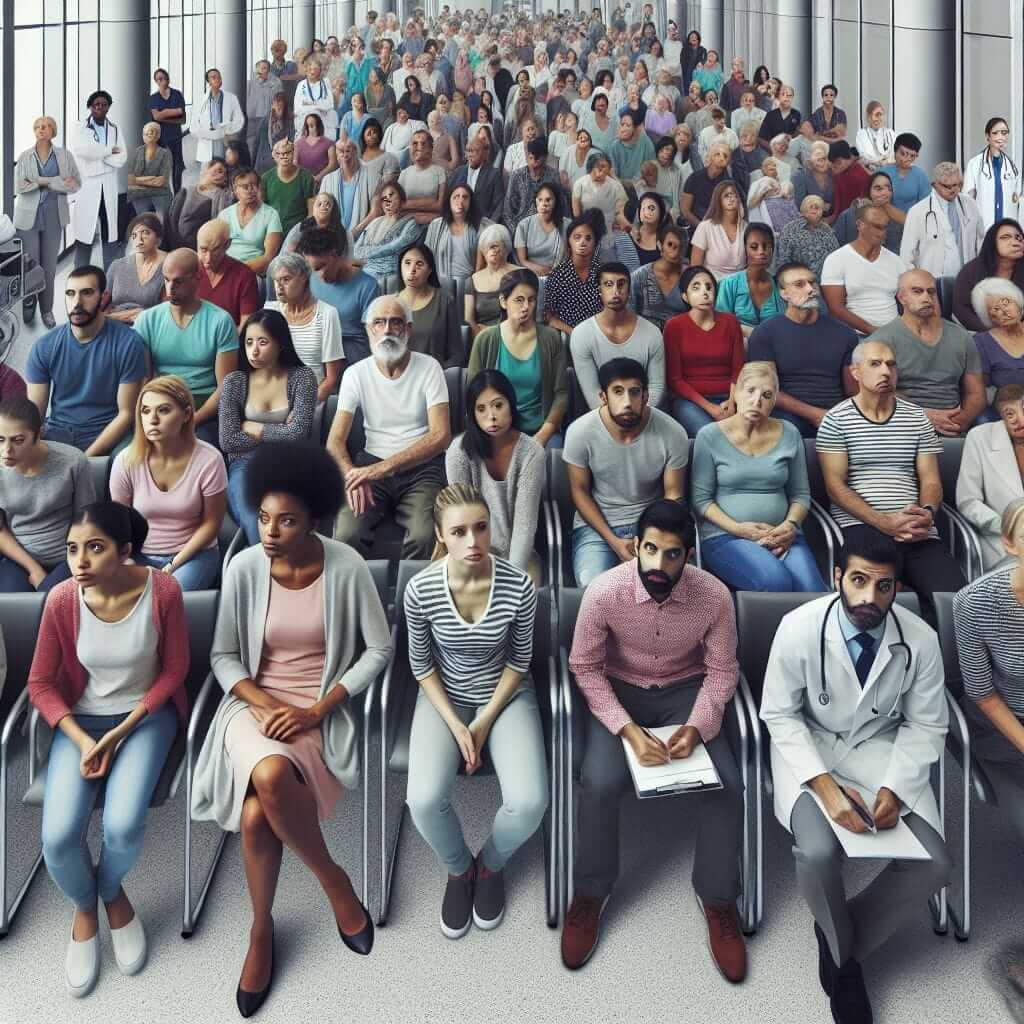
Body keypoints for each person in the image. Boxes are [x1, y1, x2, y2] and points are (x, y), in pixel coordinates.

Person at [190, 441, 385, 1016]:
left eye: (287, 521)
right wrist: (260, 700)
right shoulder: (246, 565)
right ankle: (332, 882)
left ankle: (260, 931)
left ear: (316, 519)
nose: (270, 531)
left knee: (257, 815)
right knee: (271, 775)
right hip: (252, 707)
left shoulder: (345, 566)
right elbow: (224, 657)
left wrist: (318, 709)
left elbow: (379, 649)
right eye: (265, 518)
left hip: (317, 710)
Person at [759, 526, 952, 1024]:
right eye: (859, 581)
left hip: (880, 751)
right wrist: (824, 788)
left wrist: (895, 788)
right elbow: (779, 714)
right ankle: (846, 973)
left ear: (897, 588)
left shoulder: (920, 639)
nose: (870, 597)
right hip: (810, 747)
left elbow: (927, 722)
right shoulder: (799, 627)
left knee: (933, 862)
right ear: (837, 576)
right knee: (819, 850)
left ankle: (837, 939)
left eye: (884, 586)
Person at [561, 498, 747, 980]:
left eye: (672, 555)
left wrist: (698, 725)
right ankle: (590, 893)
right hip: (619, 690)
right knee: (599, 781)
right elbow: (584, 667)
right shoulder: (604, 592)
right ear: (636, 546)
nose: (658, 565)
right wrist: (626, 730)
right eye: (650, 550)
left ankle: (718, 898)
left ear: (689, 555)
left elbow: (723, 671)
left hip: (685, 693)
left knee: (728, 783)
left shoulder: (715, 596)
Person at [28, 501, 189, 997]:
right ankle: (85, 906)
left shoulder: (163, 589)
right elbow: (41, 685)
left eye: (94, 549)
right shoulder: (61, 599)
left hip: (146, 716)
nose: (80, 562)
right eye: (73, 549)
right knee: (57, 839)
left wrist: (123, 731)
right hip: (82, 721)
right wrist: (80, 737)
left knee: (122, 825)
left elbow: (174, 671)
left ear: (125, 551)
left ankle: (112, 893)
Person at [404, 483, 545, 938]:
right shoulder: (420, 589)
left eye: (481, 528)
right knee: (422, 800)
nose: (473, 542)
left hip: (505, 695)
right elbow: (422, 666)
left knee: (529, 803)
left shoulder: (519, 584)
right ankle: (459, 867)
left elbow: (519, 661)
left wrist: (482, 723)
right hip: (444, 695)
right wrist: (456, 725)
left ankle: (491, 864)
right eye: (460, 532)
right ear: (441, 536)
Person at [817, 339, 966, 616]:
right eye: (875, 364)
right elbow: (835, 488)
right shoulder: (836, 420)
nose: (885, 371)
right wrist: (884, 522)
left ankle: (935, 657)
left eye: (891, 364)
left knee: (955, 603)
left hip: (916, 528)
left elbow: (931, 480)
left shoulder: (917, 418)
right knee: (867, 605)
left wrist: (927, 512)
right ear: (856, 372)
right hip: (863, 527)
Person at [327, 294, 450, 559]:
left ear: (408, 329)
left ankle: (413, 599)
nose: (386, 330)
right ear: (368, 329)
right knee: (347, 534)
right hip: (370, 466)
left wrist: (381, 469)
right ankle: (362, 598)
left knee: (424, 535)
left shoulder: (430, 368)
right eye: (379, 323)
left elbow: (441, 436)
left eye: (395, 323)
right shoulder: (355, 374)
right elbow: (335, 441)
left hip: (422, 469)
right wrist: (353, 476)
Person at [691, 361, 827, 591]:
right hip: (726, 536)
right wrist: (739, 529)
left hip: (783, 534)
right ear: (736, 393)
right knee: (775, 582)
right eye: (750, 391)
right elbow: (701, 501)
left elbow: (801, 495)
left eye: (766, 394)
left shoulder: (790, 433)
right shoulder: (709, 436)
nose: (757, 401)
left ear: (774, 401)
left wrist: (790, 525)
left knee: (813, 592)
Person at [564, 358, 688, 586]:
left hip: (652, 523)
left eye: (634, 392)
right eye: (618, 392)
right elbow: (579, 492)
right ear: (603, 397)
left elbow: (673, 495)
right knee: (593, 589)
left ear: (646, 396)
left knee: (658, 587)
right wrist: (613, 541)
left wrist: (650, 538)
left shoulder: (673, 433)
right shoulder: (580, 432)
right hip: (597, 527)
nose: (627, 402)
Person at [109, 376, 226, 590]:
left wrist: (173, 565)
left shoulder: (210, 459)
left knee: (167, 598)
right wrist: (129, 563)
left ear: (186, 414)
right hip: (140, 556)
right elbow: (119, 524)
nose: (152, 419)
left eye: (163, 410)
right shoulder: (125, 460)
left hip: (193, 556)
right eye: (145, 411)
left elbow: (211, 525)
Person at [219, 310, 318, 545]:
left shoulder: (303, 378)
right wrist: (281, 430)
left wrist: (255, 428)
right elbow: (227, 440)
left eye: (263, 342)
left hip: (290, 462)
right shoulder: (235, 381)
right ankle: (266, 568)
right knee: (255, 517)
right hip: (244, 463)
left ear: (280, 344)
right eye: (249, 342)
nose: (254, 350)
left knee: (287, 515)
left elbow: (298, 435)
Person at [26, 265, 146, 454]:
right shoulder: (44, 346)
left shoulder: (129, 343)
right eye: (70, 293)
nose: (77, 302)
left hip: (107, 433)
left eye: (87, 293)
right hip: (58, 432)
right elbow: (34, 414)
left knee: (125, 460)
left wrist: (83, 460)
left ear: (103, 297)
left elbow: (126, 414)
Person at [445, 370, 546, 581]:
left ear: (512, 405)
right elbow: (460, 517)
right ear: (472, 414)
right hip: (469, 551)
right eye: (481, 409)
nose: (491, 416)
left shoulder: (532, 452)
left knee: (521, 599)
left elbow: (525, 525)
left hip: (520, 555)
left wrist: (511, 577)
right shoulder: (459, 451)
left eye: (498, 405)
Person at [134, 249, 240, 448]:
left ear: (197, 277)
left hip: (202, 405)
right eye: (166, 280)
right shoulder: (147, 320)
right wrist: (150, 414)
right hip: (160, 401)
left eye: (178, 281)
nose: (170, 288)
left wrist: (194, 419)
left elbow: (225, 386)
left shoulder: (220, 320)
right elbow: (143, 381)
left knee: (200, 449)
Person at [868, 270, 986, 436]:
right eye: (917, 291)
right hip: (901, 427)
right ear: (902, 298)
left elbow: (977, 394)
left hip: (952, 427)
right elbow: (874, 392)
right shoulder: (881, 340)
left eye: (931, 292)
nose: (926, 297)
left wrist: (961, 421)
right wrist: (923, 417)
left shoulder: (961, 336)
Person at [748, 261, 858, 437]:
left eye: (812, 282)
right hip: (787, 416)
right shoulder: (765, 334)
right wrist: (814, 414)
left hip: (835, 414)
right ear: (784, 294)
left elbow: (853, 390)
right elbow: (768, 389)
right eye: (799, 284)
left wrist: (837, 416)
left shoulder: (844, 334)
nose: (810, 289)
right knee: (786, 430)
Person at [0, 396, 97, 593]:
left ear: (39, 434)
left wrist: (74, 559)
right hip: (18, 556)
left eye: (18, 440)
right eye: (0, 440)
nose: (7, 450)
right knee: (11, 606)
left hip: (69, 555)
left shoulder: (72, 461)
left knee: (52, 600)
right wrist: (34, 569)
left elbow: (87, 521)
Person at [467, 269, 567, 449]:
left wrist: (543, 434)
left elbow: (561, 393)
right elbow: (473, 392)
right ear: (503, 302)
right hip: (495, 428)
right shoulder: (486, 339)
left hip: (540, 428)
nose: (526, 307)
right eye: (519, 300)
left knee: (555, 454)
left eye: (531, 299)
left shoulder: (551, 338)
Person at [14, 115, 81, 329]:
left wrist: (38, 181)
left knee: (49, 267)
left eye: (46, 126)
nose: (42, 129)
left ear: (53, 131)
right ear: (34, 131)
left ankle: (47, 310)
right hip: (27, 218)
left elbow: (75, 184)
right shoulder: (24, 157)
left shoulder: (64, 156)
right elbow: (20, 188)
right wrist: (55, 182)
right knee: (29, 266)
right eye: (38, 127)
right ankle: (28, 303)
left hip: (54, 216)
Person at [570, 262, 665, 411]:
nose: (615, 291)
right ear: (599, 290)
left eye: (621, 284)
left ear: (629, 291)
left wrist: (637, 416)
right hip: (602, 417)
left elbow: (656, 387)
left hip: (644, 414)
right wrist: (618, 419)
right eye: (608, 284)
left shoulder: (652, 333)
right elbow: (592, 394)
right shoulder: (581, 334)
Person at [664, 266, 743, 435]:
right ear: (685, 296)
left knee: (743, 431)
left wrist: (732, 401)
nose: (704, 292)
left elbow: (738, 369)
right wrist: (711, 408)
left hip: (729, 397)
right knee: (710, 433)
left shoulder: (730, 322)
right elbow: (675, 380)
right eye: (696, 287)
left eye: (709, 287)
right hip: (691, 401)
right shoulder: (674, 326)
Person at [957, 386, 1024, 570]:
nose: (1019, 420)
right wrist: (1009, 526)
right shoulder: (980, 438)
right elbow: (968, 502)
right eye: (1010, 414)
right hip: (1000, 540)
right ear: (1000, 416)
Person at [266, 251, 344, 401]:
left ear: (304, 278)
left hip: (311, 397)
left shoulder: (327, 314)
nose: (279, 287)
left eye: (286, 279)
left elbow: (331, 381)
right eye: (276, 281)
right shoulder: (270, 311)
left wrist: (302, 409)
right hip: (274, 397)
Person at [295, 226, 379, 366]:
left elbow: (374, 334)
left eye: (321, 267)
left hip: (352, 358)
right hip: (315, 352)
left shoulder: (368, 286)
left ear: (334, 255)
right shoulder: (310, 279)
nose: (319, 275)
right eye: (313, 269)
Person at [820, 204, 908, 336]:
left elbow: (909, 299)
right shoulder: (836, 259)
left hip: (895, 333)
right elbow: (835, 308)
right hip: (856, 335)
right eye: (876, 226)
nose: (882, 233)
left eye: (885, 227)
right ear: (860, 225)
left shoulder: (896, 261)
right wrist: (873, 330)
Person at [71, 91, 127, 269]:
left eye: (104, 104)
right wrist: (109, 150)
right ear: (90, 107)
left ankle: (110, 277)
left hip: (108, 186)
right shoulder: (81, 128)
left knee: (109, 231)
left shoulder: (115, 128)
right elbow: (82, 150)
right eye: (96, 104)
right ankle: (79, 273)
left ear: (108, 107)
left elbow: (121, 158)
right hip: (88, 186)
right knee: (85, 233)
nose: (100, 107)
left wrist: (99, 155)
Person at [900, 162, 986, 278]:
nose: (953, 190)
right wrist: (917, 283)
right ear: (934, 185)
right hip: (932, 280)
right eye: (947, 186)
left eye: (956, 185)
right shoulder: (917, 212)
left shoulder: (970, 204)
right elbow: (906, 255)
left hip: (967, 277)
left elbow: (981, 242)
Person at [396, 243, 463, 369]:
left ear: (430, 270)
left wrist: (436, 373)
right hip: (399, 379)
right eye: (407, 263)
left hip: (434, 378)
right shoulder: (391, 304)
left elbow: (456, 355)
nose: (412, 270)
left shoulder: (445, 301)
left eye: (419, 264)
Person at [953, 218, 1024, 332]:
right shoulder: (971, 270)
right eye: (1006, 237)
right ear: (992, 243)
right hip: (980, 332)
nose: (1014, 242)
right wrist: (990, 331)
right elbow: (961, 309)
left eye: (1018, 237)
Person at [544, 209, 606, 337]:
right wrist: (573, 333)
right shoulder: (557, 275)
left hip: (599, 334)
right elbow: (549, 317)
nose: (582, 242)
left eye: (588, 238)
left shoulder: (603, 273)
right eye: (577, 237)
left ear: (595, 244)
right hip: (567, 335)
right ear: (569, 242)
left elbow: (609, 309)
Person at [714, 224, 785, 335]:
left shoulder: (780, 284)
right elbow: (721, 323)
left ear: (772, 250)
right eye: (754, 247)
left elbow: (784, 325)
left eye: (766, 246)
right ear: (745, 250)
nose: (761, 251)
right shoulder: (729, 283)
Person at [218, 166, 284, 279]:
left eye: (254, 185)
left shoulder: (271, 215)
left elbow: (268, 257)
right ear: (235, 189)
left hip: (253, 273)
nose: (250, 190)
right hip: (224, 272)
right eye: (244, 186)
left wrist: (236, 273)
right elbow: (216, 249)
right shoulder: (225, 215)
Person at [195, 218, 261, 329]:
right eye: (203, 249)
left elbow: (246, 327)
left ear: (227, 245)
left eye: (215, 250)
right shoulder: (188, 271)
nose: (208, 258)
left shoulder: (245, 276)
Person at [103, 214, 166, 325]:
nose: (139, 239)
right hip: (115, 325)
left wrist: (142, 314)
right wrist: (122, 316)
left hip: (150, 326)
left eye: (146, 233)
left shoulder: (168, 266)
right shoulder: (117, 266)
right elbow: (101, 303)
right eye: (134, 235)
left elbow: (168, 310)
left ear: (158, 239)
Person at [963, 116, 1023, 231]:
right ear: (987, 136)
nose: (1001, 137)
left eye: (1004, 133)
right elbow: (967, 202)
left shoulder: (1012, 168)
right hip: (983, 228)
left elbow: (1017, 201)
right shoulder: (975, 164)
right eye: (995, 133)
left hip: (1007, 229)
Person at [971, 278, 1024, 401]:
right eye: (996, 309)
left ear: (1017, 302)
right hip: (1012, 408)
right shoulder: (981, 342)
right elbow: (980, 388)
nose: (1004, 311)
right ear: (989, 317)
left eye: (1006, 303)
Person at [628, 223, 688, 330]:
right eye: (670, 245)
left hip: (682, 338)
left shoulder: (691, 277)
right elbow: (629, 315)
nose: (676, 251)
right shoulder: (639, 276)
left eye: (681, 247)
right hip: (646, 339)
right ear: (660, 245)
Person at [503, 137, 563, 240]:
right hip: (521, 230)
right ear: (527, 157)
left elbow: (561, 207)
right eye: (531, 158)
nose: (534, 167)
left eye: (538, 164)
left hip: (548, 231)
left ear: (545, 158)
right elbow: (508, 212)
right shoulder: (517, 176)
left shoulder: (553, 176)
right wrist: (517, 234)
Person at [165, 158, 231, 251]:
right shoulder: (187, 190)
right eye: (219, 170)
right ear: (207, 168)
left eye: (224, 174)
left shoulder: (221, 196)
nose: (221, 175)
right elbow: (172, 216)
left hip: (197, 244)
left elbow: (218, 222)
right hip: (174, 239)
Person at [832, 172, 906, 254]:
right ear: (869, 192)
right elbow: (836, 247)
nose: (884, 192)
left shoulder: (897, 220)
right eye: (878, 188)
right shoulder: (848, 216)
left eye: (888, 188)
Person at [466, 224, 518, 339]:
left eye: (495, 246)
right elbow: (468, 319)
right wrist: (481, 336)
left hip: (512, 336)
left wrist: (493, 331)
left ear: (506, 247)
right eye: (487, 247)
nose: (491, 251)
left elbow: (521, 314)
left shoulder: (519, 274)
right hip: (481, 338)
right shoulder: (472, 280)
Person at [188, 69, 245, 168]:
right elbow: (193, 126)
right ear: (208, 82)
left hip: (224, 139)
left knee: (225, 170)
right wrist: (205, 133)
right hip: (206, 141)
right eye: (213, 77)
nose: (217, 79)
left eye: (219, 77)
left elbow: (239, 120)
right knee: (207, 172)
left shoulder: (231, 98)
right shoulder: (200, 100)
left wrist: (227, 128)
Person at [261, 140, 316, 241]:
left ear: (294, 153)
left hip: (297, 233)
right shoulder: (266, 178)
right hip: (272, 233)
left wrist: (302, 233)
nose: (284, 156)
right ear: (274, 156)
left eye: (288, 153)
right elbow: (261, 210)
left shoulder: (306, 177)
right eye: (280, 154)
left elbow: (311, 212)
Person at [775, 195, 840, 278]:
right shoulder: (790, 229)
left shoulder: (827, 230)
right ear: (803, 210)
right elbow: (783, 259)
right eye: (810, 207)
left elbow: (836, 255)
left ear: (822, 211)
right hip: (797, 279)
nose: (814, 210)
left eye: (817, 207)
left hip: (825, 279)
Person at [515, 182, 567, 278]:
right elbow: (522, 260)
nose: (544, 204)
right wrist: (541, 270)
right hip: (532, 276)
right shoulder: (523, 225)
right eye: (540, 200)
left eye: (548, 200)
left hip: (560, 277)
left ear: (556, 201)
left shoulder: (567, 225)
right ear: (535, 201)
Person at [448, 135, 504, 224]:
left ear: (484, 154)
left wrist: (491, 225)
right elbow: (448, 198)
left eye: (475, 151)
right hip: (458, 221)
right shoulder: (458, 172)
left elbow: (499, 204)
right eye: (468, 151)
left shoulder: (493, 174)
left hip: (483, 223)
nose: (470, 154)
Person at [681, 142, 736, 230]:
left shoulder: (729, 185)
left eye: (725, 156)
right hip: (696, 226)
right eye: (717, 154)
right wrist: (702, 227)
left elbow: (729, 213)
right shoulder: (694, 178)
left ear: (728, 161)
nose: (721, 158)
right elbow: (685, 210)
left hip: (719, 228)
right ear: (710, 156)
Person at [149, 69, 188, 193]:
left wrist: (164, 114)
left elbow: (183, 119)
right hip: (161, 138)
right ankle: (165, 196)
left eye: (164, 77)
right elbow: (156, 117)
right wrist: (174, 111)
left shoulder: (177, 94)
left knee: (178, 167)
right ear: (156, 82)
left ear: (168, 78)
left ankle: (177, 194)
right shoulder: (154, 98)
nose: (162, 80)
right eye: (159, 79)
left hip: (176, 136)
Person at [397, 130, 447, 225]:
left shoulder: (440, 172)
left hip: (432, 224)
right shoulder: (404, 174)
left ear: (431, 149)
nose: (418, 147)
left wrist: (408, 205)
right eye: (414, 143)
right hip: (405, 224)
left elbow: (440, 206)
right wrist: (430, 202)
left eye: (423, 144)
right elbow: (398, 205)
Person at [127, 122, 173, 220]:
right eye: (147, 133)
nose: (150, 134)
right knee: (143, 221)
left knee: (163, 221)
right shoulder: (138, 151)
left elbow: (161, 181)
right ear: (143, 136)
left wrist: (139, 180)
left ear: (158, 135)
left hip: (160, 193)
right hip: (139, 193)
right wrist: (151, 179)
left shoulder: (165, 153)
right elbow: (131, 179)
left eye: (153, 132)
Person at [881, 133, 931, 213]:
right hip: (884, 223)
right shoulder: (882, 173)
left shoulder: (920, 175)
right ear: (895, 151)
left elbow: (926, 206)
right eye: (903, 153)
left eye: (912, 156)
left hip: (912, 223)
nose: (907, 159)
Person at [293, 56, 338, 137]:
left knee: (332, 115)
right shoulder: (301, 85)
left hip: (323, 119)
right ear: (306, 70)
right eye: (310, 69)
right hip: (305, 119)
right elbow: (298, 107)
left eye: (315, 69)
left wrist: (309, 103)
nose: (312, 71)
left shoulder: (325, 83)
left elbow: (329, 104)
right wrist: (318, 105)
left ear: (320, 71)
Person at [252, 91, 294, 175]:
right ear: (272, 105)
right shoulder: (265, 121)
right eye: (276, 103)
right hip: (263, 163)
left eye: (280, 103)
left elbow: (291, 142)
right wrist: (253, 165)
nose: (278, 105)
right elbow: (256, 144)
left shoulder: (290, 122)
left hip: (281, 162)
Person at [245, 60, 281, 160]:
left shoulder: (275, 83)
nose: (261, 70)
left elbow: (279, 98)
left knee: (266, 143)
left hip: (267, 118)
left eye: (264, 68)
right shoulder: (249, 84)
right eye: (260, 68)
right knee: (251, 144)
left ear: (268, 70)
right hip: (252, 118)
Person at [827, 141, 870, 222]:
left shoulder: (861, 176)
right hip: (839, 218)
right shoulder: (838, 173)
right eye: (833, 164)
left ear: (850, 157)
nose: (835, 167)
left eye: (838, 163)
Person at [792, 141, 834, 216]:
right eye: (818, 159)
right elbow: (799, 205)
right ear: (811, 159)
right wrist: (821, 206)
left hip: (833, 217)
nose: (821, 162)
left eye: (824, 158)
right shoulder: (800, 176)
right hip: (807, 217)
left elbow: (840, 201)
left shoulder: (834, 174)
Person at [854, 100, 896, 173]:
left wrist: (886, 162)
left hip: (891, 171)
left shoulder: (891, 133)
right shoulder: (861, 134)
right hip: (871, 173)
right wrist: (878, 162)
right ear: (867, 117)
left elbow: (895, 155)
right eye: (871, 115)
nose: (875, 119)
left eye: (879, 114)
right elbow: (865, 157)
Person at [295, 113, 337, 183]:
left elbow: (333, 164)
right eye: (309, 125)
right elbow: (294, 163)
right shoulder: (298, 144)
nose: (312, 128)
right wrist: (305, 178)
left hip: (324, 181)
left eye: (314, 125)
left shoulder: (329, 143)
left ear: (319, 125)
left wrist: (319, 177)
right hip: (303, 181)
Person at [757, 84, 801, 151]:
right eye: (783, 94)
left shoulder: (797, 114)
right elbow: (761, 139)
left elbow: (797, 135)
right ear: (778, 97)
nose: (786, 98)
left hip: (791, 151)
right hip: (773, 152)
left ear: (792, 98)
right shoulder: (770, 115)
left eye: (789, 95)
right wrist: (774, 150)